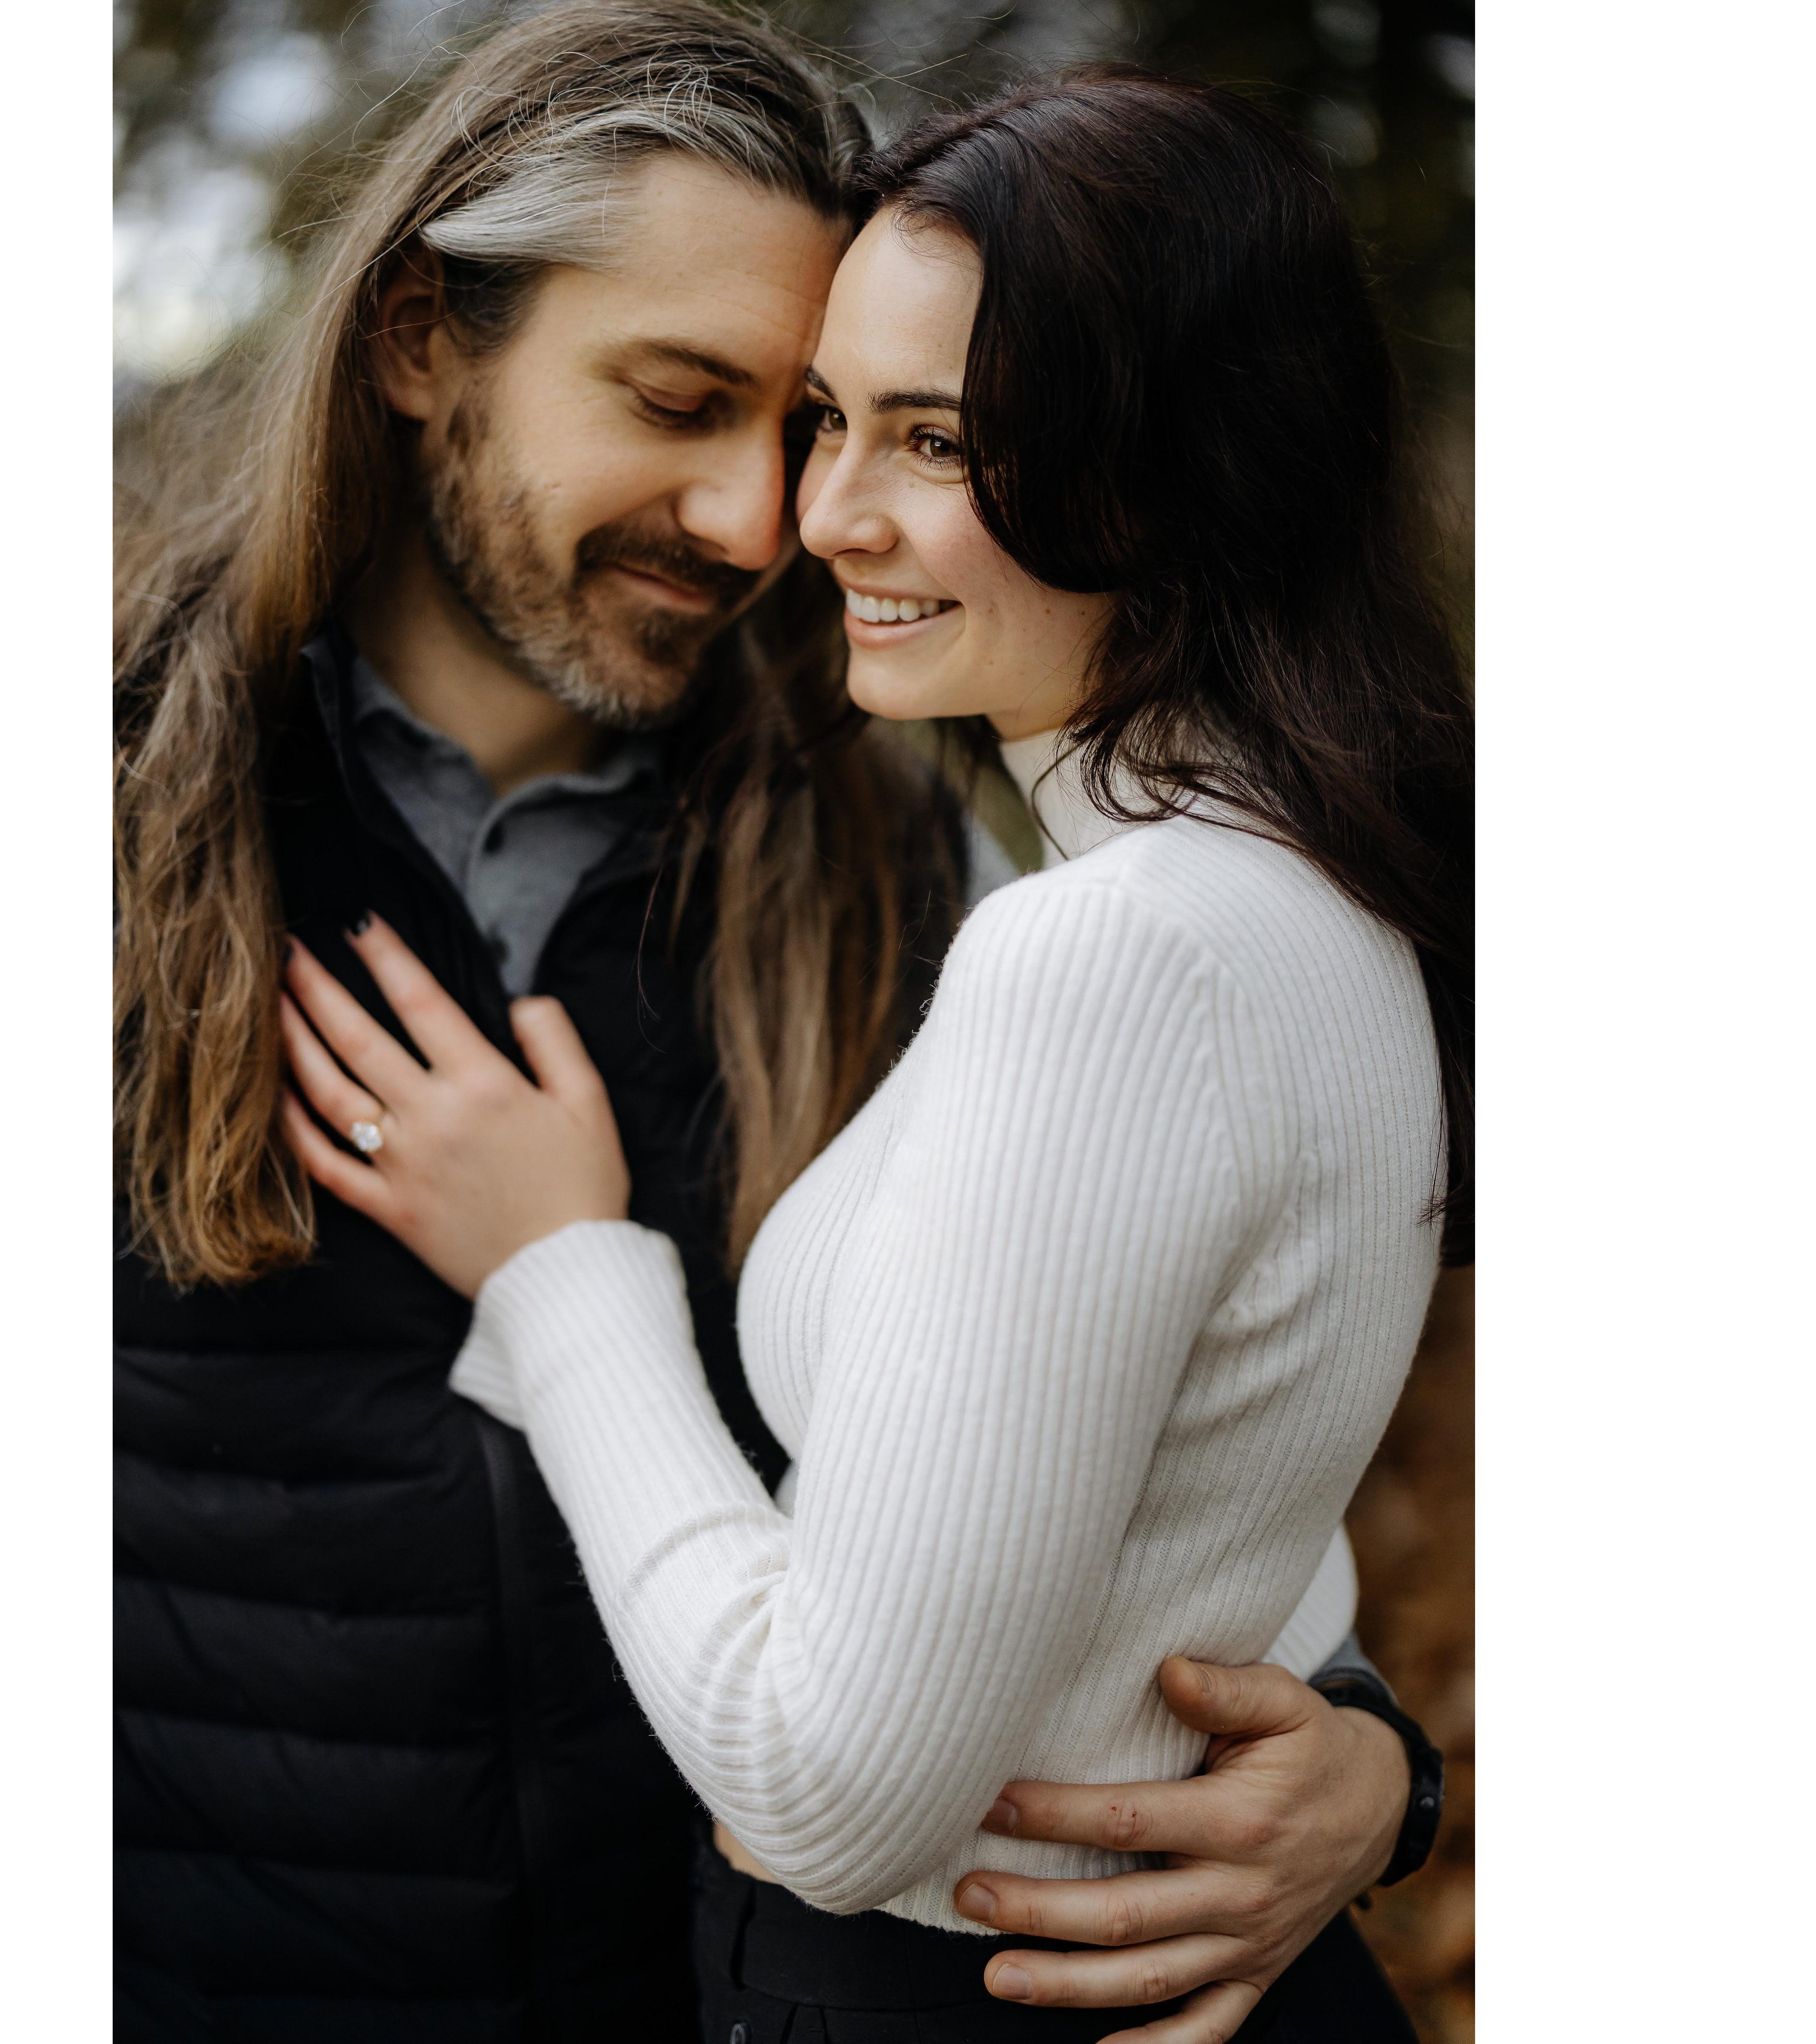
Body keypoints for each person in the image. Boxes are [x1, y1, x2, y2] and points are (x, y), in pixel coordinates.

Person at [115, 8, 1443, 2037]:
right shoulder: (108, 815)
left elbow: (1152, 1435)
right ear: (417, 339)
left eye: (816, 422)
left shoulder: (915, 866)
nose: (762, 522)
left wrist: (1353, 1751)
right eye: (684, 402)